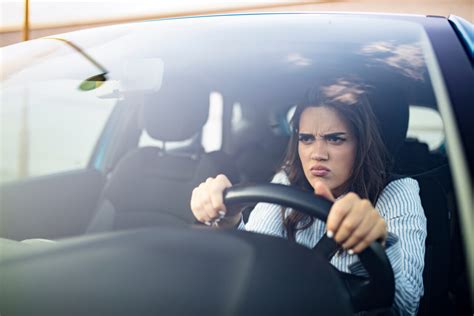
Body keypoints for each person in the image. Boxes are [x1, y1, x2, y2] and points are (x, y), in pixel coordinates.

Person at [190, 79, 427, 316]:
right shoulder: (285, 183)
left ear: (361, 144)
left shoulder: (397, 191)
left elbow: (406, 307)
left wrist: (377, 246)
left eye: (335, 139)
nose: (317, 154)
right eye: (306, 139)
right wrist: (228, 220)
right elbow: (256, 262)